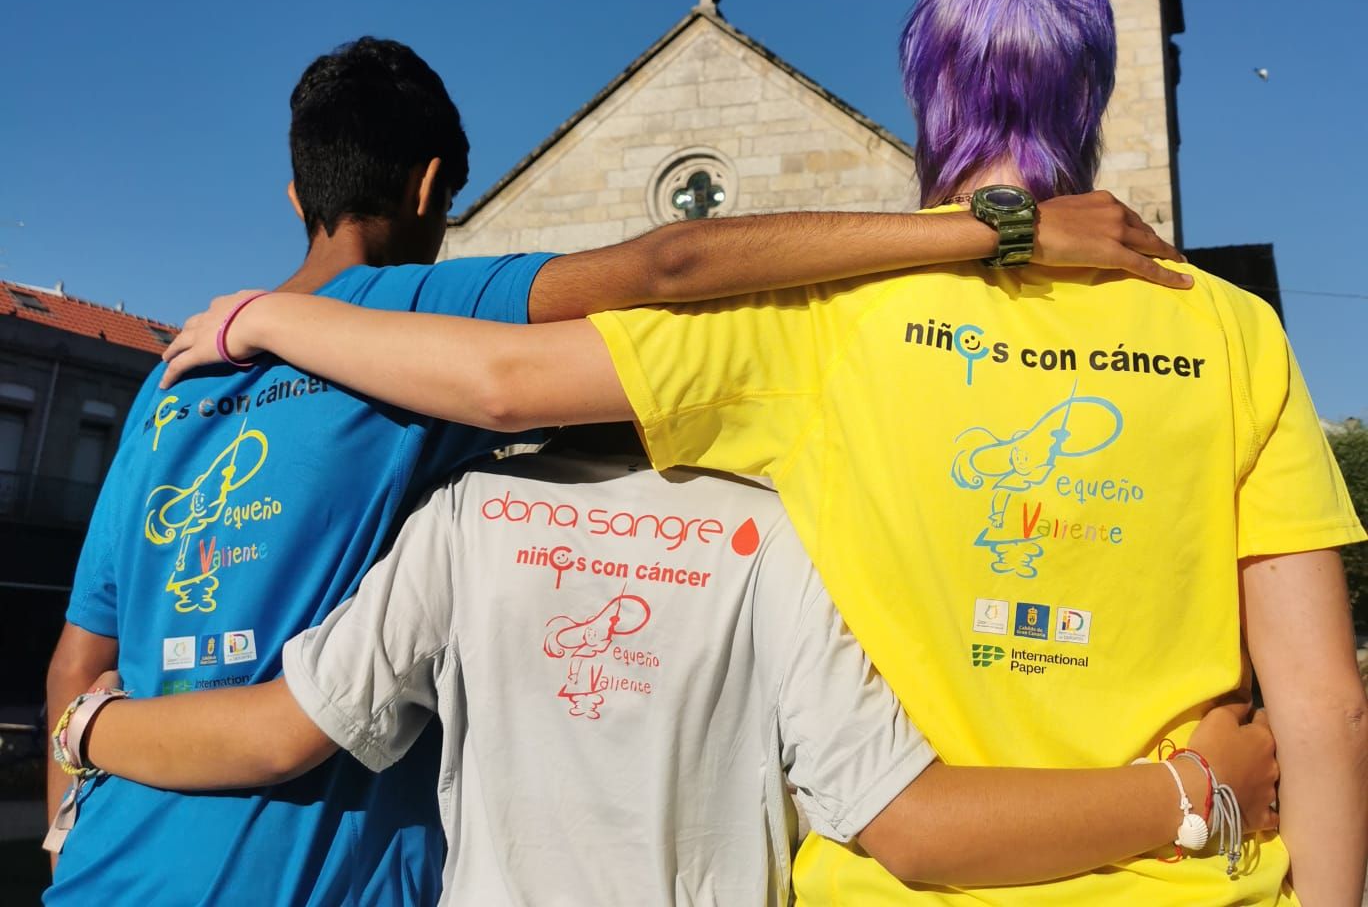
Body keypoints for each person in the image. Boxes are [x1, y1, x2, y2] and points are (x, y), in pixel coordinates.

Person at [165, 0, 1367, 906]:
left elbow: (502, 384)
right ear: (1093, 92)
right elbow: (1324, 707)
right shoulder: (1229, 328)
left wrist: (267, 318)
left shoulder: (824, 318)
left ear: (927, 92)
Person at [47, 34, 1186, 905]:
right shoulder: (407, 314)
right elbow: (670, 261)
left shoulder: (175, 379)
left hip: (103, 862)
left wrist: (70, 797)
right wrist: (994, 230)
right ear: (434, 188)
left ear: (295, 193)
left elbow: (76, 663)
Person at [67, 426, 1278, 906]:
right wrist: (1183, 795)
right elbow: (903, 822)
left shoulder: (469, 512)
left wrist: (87, 727)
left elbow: (280, 732)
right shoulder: (776, 530)